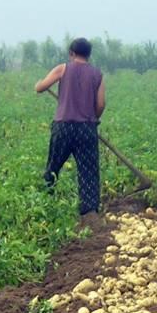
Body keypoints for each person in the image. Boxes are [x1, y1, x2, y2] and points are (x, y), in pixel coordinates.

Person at [35, 37, 106, 216]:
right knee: (88, 170)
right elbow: (100, 104)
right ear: (88, 55)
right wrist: (91, 118)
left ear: (71, 53)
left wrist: (38, 84)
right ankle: (89, 212)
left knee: (53, 166)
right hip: (86, 128)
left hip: (63, 127)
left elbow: (41, 87)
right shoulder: (98, 75)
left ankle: (45, 204)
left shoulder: (63, 68)